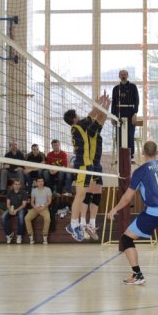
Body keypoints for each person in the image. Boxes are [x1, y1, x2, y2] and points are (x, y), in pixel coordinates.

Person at [106, 140, 158, 284]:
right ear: (157, 152)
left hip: (153, 213)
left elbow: (127, 197)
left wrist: (115, 209)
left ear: (143, 153)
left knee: (126, 239)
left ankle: (137, 274)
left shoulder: (140, 171)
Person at [64, 93, 111, 242]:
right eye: (77, 115)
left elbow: (98, 117)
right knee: (81, 195)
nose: (80, 116)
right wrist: (100, 103)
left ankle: (78, 224)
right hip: (83, 164)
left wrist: (104, 105)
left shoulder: (81, 128)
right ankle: (76, 224)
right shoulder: (78, 127)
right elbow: (94, 114)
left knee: (83, 195)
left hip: (87, 165)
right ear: (74, 119)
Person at [111, 69, 139, 159]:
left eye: (125, 74)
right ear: (119, 76)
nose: (123, 76)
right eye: (121, 74)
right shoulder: (116, 88)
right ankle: (120, 155)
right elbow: (113, 103)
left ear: (127, 76)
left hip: (130, 112)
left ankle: (131, 155)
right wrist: (113, 116)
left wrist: (135, 113)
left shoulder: (133, 87)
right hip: (119, 112)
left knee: (130, 134)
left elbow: (137, 101)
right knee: (119, 134)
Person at [26, 176, 53, 245]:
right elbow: (32, 202)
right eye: (39, 181)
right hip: (36, 207)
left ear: (43, 182)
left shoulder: (48, 189)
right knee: (27, 218)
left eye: (42, 181)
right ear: (36, 182)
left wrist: (43, 207)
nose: (40, 183)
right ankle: (31, 236)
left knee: (47, 218)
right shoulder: (34, 190)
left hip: (44, 208)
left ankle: (45, 236)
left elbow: (49, 201)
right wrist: (35, 207)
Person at [3, 178, 29, 244]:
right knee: (3, 217)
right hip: (12, 208)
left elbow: (24, 205)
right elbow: (8, 204)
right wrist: (10, 210)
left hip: (20, 209)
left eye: (18, 184)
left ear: (20, 185)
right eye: (16, 184)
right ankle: (9, 234)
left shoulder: (24, 193)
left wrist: (16, 210)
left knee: (21, 217)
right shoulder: (10, 192)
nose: (17, 185)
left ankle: (19, 235)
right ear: (13, 185)